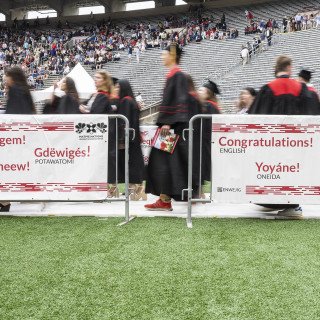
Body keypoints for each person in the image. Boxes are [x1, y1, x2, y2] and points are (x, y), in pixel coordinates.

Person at [249, 55, 320, 216]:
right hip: (295, 143)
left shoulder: (268, 88)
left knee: (271, 171)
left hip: (272, 143)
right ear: (289, 68)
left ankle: (283, 204)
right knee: (291, 171)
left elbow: (255, 116)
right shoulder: (301, 88)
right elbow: (311, 114)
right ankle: (290, 204)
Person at [145, 44, 199, 211]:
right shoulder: (172, 75)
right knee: (163, 163)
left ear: (172, 56)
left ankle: (175, 197)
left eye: (164, 54)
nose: (162, 57)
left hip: (171, 129)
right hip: (167, 128)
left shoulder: (178, 75)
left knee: (168, 163)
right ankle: (165, 199)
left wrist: (168, 121)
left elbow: (179, 101)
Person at [1, 67, 36, 212]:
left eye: (6, 77)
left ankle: (4, 202)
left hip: (14, 140)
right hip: (21, 140)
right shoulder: (24, 92)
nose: (5, 80)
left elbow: (12, 117)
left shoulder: (15, 92)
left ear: (12, 78)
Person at [113, 79, 146, 200]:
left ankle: (132, 188)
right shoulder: (130, 101)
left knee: (129, 163)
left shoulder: (126, 101)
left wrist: (121, 138)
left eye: (117, 87)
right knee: (133, 162)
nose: (116, 89)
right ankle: (137, 187)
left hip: (128, 138)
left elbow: (124, 120)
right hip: (133, 137)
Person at [197, 81, 221, 192]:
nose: (198, 91)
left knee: (203, 166)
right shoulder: (211, 105)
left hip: (205, 140)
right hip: (206, 140)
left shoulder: (209, 105)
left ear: (208, 93)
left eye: (201, 90)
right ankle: (200, 191)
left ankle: (200, 191)